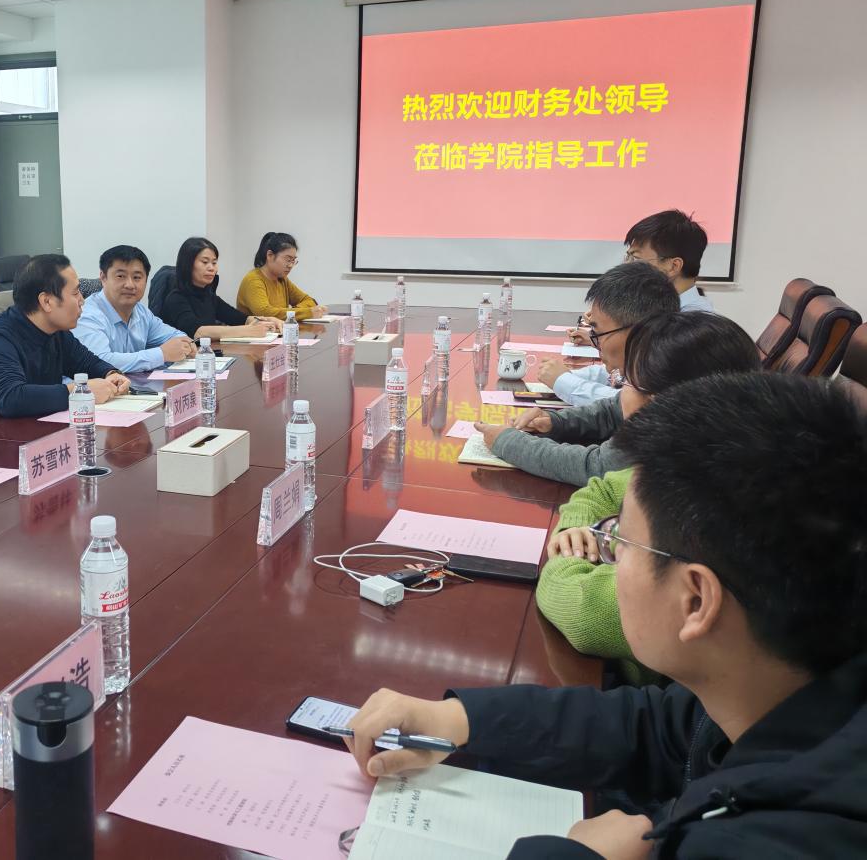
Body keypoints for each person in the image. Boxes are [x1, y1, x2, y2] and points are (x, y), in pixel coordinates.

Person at [345, 373, 867, 858]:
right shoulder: (775, 686)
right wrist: (461, 719)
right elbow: (657, 727)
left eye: (619, 539)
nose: (605, 553)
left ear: (695, 600)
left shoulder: (784, 840)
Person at [535, 312, 761, 684]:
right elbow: (603, 488)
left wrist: (569, 556)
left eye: (626, 381)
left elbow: (584, 612)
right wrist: (577, 530)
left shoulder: (706, 502)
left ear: (654, 403)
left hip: (655, 703)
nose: (620, 393)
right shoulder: (699, 459)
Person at [475, 310, 737, 487]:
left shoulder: (673, 442)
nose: (621, 387)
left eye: (627, 380)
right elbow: (613, 409)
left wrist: (508, 442)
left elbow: (595, 467)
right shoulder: (677, 399)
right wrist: (556, 422)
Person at [0, 254, 130, 421]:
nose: (82, 300)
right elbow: (11, 399)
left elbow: (87, 363)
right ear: (46, 302)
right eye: (75, 293)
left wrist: (111, 374)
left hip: (32, 430)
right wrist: (79, 391)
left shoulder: (56, 331)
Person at [538, 261, 679, 407]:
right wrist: (565, 376)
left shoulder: (668, 386)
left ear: (637, 332)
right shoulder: (646, 361)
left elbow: (621, 404)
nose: (596, 345)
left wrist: (563, 381)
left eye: (598, 334)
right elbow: (613, 377)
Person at [75, 245, 195, 372]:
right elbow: (99, 362)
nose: (130, 285)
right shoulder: (86, 315)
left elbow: (176, 336)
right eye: (121, 276)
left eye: (137, 277)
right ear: (103, 278)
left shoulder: (141, 312)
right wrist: (161, 354)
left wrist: (186, 346)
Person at [160, 237, 281, 340]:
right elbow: (198, 332)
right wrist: (249, 330)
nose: (211, 268)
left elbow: (240, 318)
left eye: (214, 263)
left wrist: (267, 320)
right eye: (205, 262)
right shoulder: (176, 298)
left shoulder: (208, 296)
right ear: (188, 265)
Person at [624, 209, 714, 313]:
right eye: (628, 257)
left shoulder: (693, 319)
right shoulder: (656, 309)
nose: (626, 266)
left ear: (673, 266)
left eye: (635, 258)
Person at [235, 232, 326, 321]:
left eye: (293, 260)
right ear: (270, 255)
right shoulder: (253, 280)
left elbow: (310, 301)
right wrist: (306, 312)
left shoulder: (282, 279)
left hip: (278, 330)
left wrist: (293, 312)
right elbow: (265, 313)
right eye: (288, 259)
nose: (290, 265)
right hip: (256, 331)